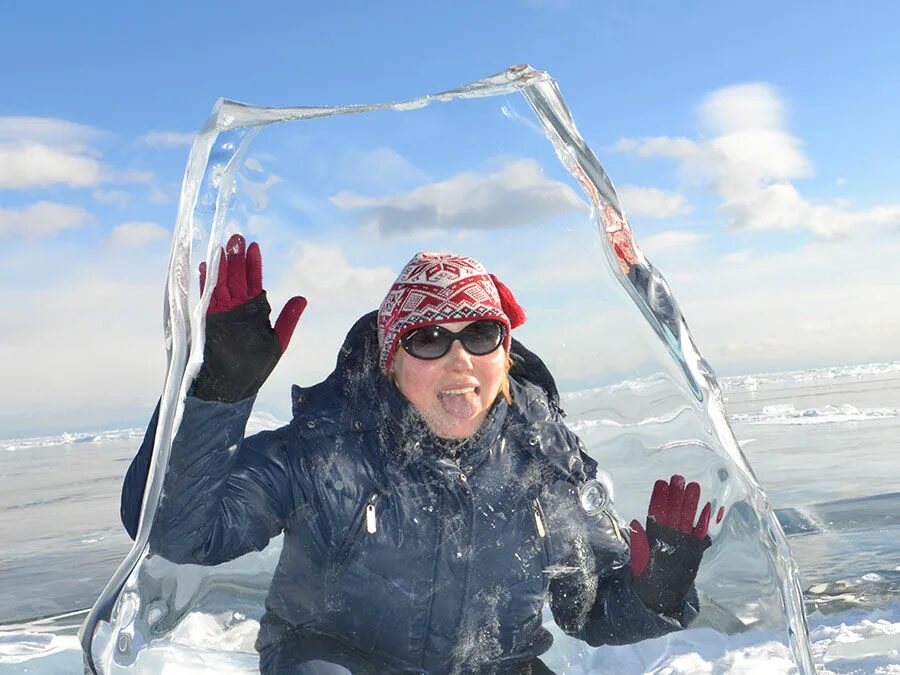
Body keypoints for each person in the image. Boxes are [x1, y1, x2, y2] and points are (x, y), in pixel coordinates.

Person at [121, 234, 718, 674]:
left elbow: (587, 610)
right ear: (392, 359)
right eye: (429, 338)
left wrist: (655, 592)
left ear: (504, 352)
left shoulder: (541, 459)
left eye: (481, 335)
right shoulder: (327, 450)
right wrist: (213, 394)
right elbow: (182, 533)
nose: (460, 360)